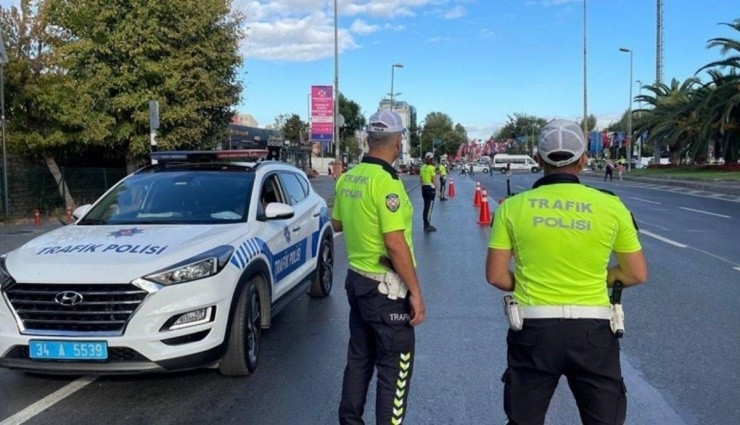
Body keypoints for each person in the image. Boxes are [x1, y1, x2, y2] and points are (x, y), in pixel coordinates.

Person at [486, 119, 648, 425]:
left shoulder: (512, 207)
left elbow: (496, 276)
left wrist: (536, 280)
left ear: (538, 159)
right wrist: (594, 278)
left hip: (533, 331)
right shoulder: (611, 206)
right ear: (584, 159)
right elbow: (636, 274)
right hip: (594, 334)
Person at [333, 109, 426, 425]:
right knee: (394, 368)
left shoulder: (348, 178)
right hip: (386, 290)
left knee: (359, 359)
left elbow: (336, 223)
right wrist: (415, 292)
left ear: (368, 140)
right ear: (398, 141)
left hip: (356, 281)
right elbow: (395, 244)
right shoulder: (387, 183)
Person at [420, 152, 440, 232]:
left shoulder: (422, 167)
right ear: (432, 159)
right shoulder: (432, 168)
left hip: (424, 187)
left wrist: (422, 188)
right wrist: (438, 190)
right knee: (429, 208)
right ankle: (427, 225)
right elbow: (434, 180)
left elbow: (420, 179)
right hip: (430, 188)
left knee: (425, 207)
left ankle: (426, 224)